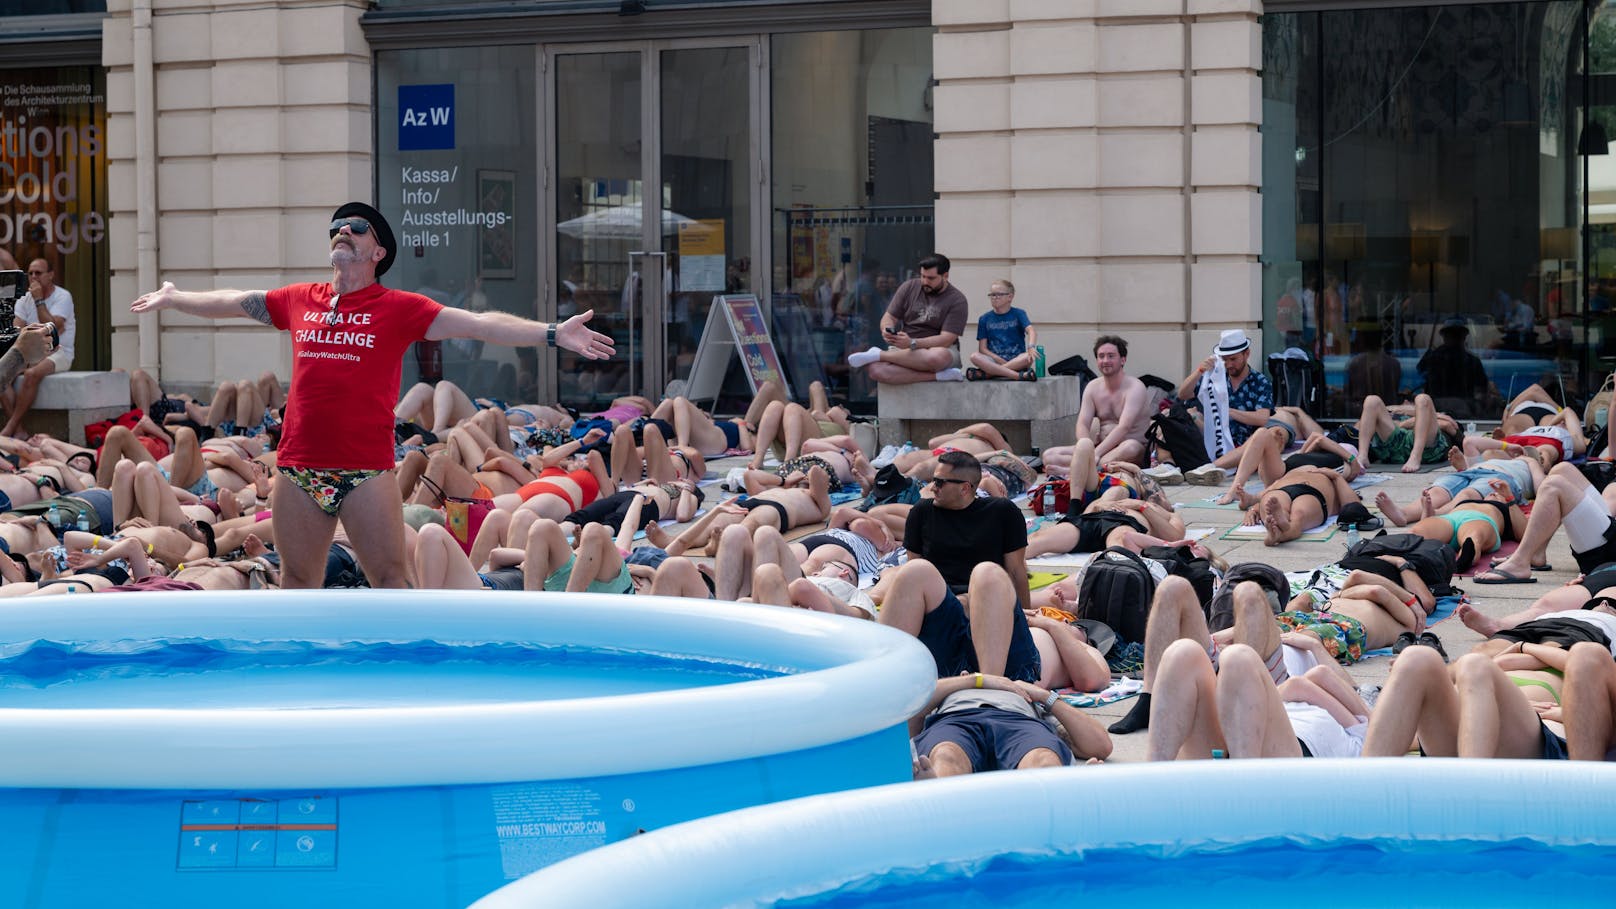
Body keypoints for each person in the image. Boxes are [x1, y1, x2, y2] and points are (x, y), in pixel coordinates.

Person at [128, 201, 614, 588]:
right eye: (336, 226)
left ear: (378, 251)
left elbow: (483, 325)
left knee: (389, 579)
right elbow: (234, 301)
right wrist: (174, 297)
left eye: (356, 226)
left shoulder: (399, 308)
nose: (342, 230)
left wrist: (552, 333)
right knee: (298, 580)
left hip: (365, 470)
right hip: (299, 469)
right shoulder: (301, 298)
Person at [880, 451, 1041, 682]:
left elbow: (1016, 571)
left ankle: (991, 685)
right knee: (913, 571)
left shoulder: (1002, 512)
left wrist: (1025, 621)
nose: (932, 487)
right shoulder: (921, 513)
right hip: (943, 607)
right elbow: (912, 579)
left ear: (965, 488)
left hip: (990, 602)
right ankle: (882, 672)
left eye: (939, 482)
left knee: (986, 573)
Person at [909, 672, 1111, 777]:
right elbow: (913, 706)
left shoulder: (1028, 695)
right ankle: (938, 798)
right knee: (946, 755)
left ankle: (1061, 796)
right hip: (957, 718)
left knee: (1043, 759)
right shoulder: (956, 686)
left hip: (1019, 721)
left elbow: (1100, 745)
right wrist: (976, 680)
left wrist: (1044, 696)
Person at [846, 253, 968, 384]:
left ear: (945, 276)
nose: (925, 282)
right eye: (922, 276)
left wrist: (913, 343)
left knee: (938, 357)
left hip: (940, 349)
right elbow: (889, 317)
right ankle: (938, 376)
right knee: (875, 370)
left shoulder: (957, 300)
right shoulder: (909, 287)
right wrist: (887, 329)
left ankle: (878, 354)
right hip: (906, 349)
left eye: (931, 278)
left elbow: (946, 339)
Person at [1171, 328, 1273, 481]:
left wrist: (1226, 411)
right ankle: (1169, 467)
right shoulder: (1216, 376)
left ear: (1247, 354)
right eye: (1224, 359)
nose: (1228, 364)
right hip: (1213, 437)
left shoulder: (1260, 381)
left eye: (1233, 359)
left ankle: (1209, 467)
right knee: (1170, 419)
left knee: (1257, 440)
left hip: (1241, 441)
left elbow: (1262, 418)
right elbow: (1183, 394)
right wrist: (1199, 371)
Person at [3, 258, 76, 439]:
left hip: (59, 351)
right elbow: (16, 331)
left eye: (39, 273)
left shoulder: (62, 296)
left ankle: (10, 427)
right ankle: (18, 429)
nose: (34, 277)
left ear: (50, 275)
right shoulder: (23, 298)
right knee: (3, 374)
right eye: (31, 273)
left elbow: (54, 329)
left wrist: (38, 301)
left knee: (31, 374)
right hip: (32, 351)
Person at [1071, 335, 1152, 466]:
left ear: (1123, 360)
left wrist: (1096, 454)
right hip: (1100, 450)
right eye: (1101, 356)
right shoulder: (1092, 387)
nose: (1105, 360)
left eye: (1111, 356)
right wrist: (1086, 449)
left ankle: (1082, 468)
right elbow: (1082, 424)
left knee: (1130, 447)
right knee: (1050, 455)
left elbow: (1124, 427)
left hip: (1129, 450)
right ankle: (1090, 467)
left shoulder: (1135, 387)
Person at [1417, 317, 1490, 418]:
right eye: (1451, 335)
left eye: (1457, 335)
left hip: (1463, 409)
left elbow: (1482, 388)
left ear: (1464, 337)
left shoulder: (1472, 361)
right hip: (1438, 409)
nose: (1454, 338)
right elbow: (1421, 371)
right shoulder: (1434, 357)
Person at [966, 279, 1036, 381]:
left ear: (1010, 297)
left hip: (1016, 360)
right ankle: (1017, 375)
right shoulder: (984, 318)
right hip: (994, 361)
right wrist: (999, 360)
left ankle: (989, 374)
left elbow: (1031, 330)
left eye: (999, 294)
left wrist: (1031, 346)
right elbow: (982, 349)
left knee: (1027, 357)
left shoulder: (1019, 313)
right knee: (974, 356)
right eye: (992, 295)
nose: (995, 298)